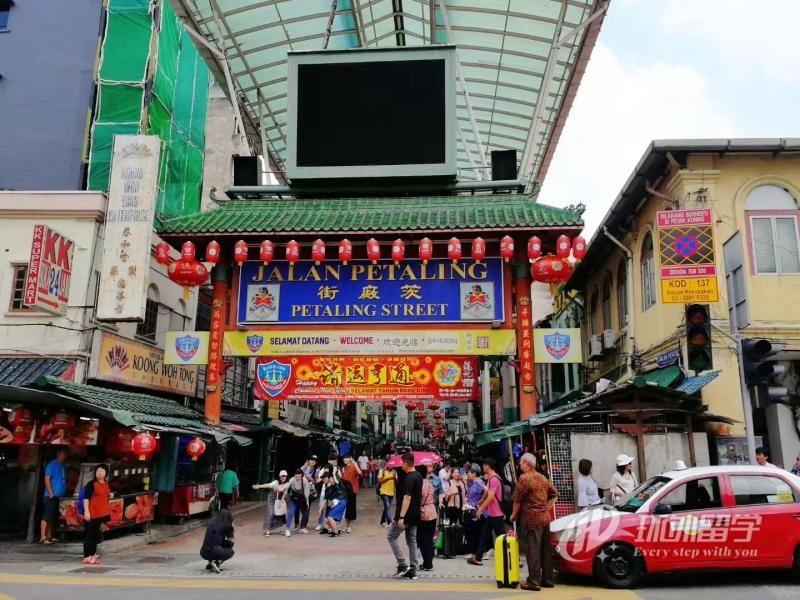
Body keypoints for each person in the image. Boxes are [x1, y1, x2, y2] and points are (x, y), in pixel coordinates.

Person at [511, 453, 558, 591]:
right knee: (545, 550)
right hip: (544, 518)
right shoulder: (543, 478)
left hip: (531, 519)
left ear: (526, 464)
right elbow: (554, 495)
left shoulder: (524, 478)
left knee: (533, 550)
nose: (520, 465)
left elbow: (517, 500)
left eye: (521, 462)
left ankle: (533, 581)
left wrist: (513, 515)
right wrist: (545, 508)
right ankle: (548, 580)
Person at [387, 452, 422, 580]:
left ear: (406, 464)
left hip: (405, 515)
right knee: (412, 541)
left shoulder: (409, 478)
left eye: (402, 463)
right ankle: (413, 569)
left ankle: (402, 564)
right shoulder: (418, 476)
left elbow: (407, 498)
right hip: (415, 514)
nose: (401, 465)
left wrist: (401, 517)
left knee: (391, 536)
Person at [468, 457, 507, 566]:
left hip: (496, 514)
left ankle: (515, 559)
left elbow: (491, 497)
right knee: (484, 535)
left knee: (502, 537)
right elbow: (489, 494)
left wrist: (480, 510)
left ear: (487, 466)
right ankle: (478, 557)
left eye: (484, 465)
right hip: (492, 513)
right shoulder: (494, 478)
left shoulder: (493, 479)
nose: (483, 468)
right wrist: (482, 500)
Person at [82, 463, 114, 565]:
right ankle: (87, 557)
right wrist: (86, 511)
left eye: (102, 471)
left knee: (95, 535)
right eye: (98, 471)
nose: (99, 473)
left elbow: (106, 493)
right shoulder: (91, 484)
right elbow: (86, 498)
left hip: (100, 514)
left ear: (106, 473)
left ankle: (93, 554)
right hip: (92, 514)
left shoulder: (105, 483)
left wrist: (111, 494)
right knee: (89, 535)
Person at [41, 447, 67, 544]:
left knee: (51, 517)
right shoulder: (52, 464)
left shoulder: (63, 465)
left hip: (58, 496)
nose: (65, 455)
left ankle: (49, 536)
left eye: (66, 453)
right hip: (51, 495)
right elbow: (47, 478)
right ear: (58, 453)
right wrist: (51, 492)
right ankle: (43, 537)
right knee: (46, 516)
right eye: (63, 453)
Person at [253, 470, 291, 536]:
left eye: (284, 476)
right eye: (281, 476)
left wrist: (280, 502)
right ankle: (267, 530)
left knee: (281, 513)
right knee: (271, 512)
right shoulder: (276, 482)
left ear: (286, 476)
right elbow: (268, 485)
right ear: (279, 477)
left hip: (280, 498)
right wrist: (259, 486)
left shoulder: (287, 483)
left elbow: (283, 492)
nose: (283, 477)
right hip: (272, 498)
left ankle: (281, 529)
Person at [462, 463, 486, 561]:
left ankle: (474, 552)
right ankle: (474, 551)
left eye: (469, 472)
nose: (467, 474)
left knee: (474, 532)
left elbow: (487, 491)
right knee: (471, 531)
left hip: (474, 510)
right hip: (469, 509)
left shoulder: (479, 482)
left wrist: (481, 501)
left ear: (474, 473)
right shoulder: (473, 483)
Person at [417, 467, 438, 572]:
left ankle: (427, 564)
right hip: (433, 512)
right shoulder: (430, 484)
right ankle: (429, 562)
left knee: (422, 540)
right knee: (429, 539)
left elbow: (418, 499)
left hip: (424, 513)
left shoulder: (420, 484)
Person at [200, 508, 235, 573]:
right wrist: (231, 532)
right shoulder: (226, 526)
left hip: (203, 552)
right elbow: (230, 544)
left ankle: (210, 564)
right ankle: (217, 563)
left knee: (214, 545)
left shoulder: (211, 523)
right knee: (231, 551)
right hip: (214, 551)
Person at [285, 469, 311, 536]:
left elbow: (307, 493)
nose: (297, 475)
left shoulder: (304, 480)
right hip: (293, 498)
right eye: (296, 474)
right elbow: (287, 485)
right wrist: (282, 488)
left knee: (305, 513)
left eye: (299, 474)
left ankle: (302, 527)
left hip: (302, 498)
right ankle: (287, 529)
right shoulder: (292, 479)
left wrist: (307, 502)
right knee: (291, 512)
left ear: (301, 475)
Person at [321, 470, 347, 537]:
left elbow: (336, 484)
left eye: (325, 478)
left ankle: (336, 533)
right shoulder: (327, 486)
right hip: (335, 503)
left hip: (341, 501)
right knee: (327, 520)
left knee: (330, 517)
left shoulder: (334, 483)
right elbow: (327, 498)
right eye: (323, 478)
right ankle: (335, 530)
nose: (324, 479)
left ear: (330, 478)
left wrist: (332, 481)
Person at [342, 455, 361, 533]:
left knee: (351, 508)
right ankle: (346, 525)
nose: (345, 459)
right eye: (344, 458)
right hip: (345, 491)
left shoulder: (353, 466)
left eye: (347, 458)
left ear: (350, 459)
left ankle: (350, 526)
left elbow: (360, 472)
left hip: (352, 490)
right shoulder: (344, 468)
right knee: (346, 508)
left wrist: (355, 463)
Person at [377, 460, 398, 527]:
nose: (391, 466)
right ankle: (390, 522)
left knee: (386, 508)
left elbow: (397, 482)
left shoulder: (394, 472)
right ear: (387, 465)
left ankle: (382, 521)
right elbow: (379, 481)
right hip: (383, 492)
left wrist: (395, 478)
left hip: (391, 492)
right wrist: (388, 478)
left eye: (392, 465)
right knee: (388, 507)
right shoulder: (382, 471)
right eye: (390, 465)